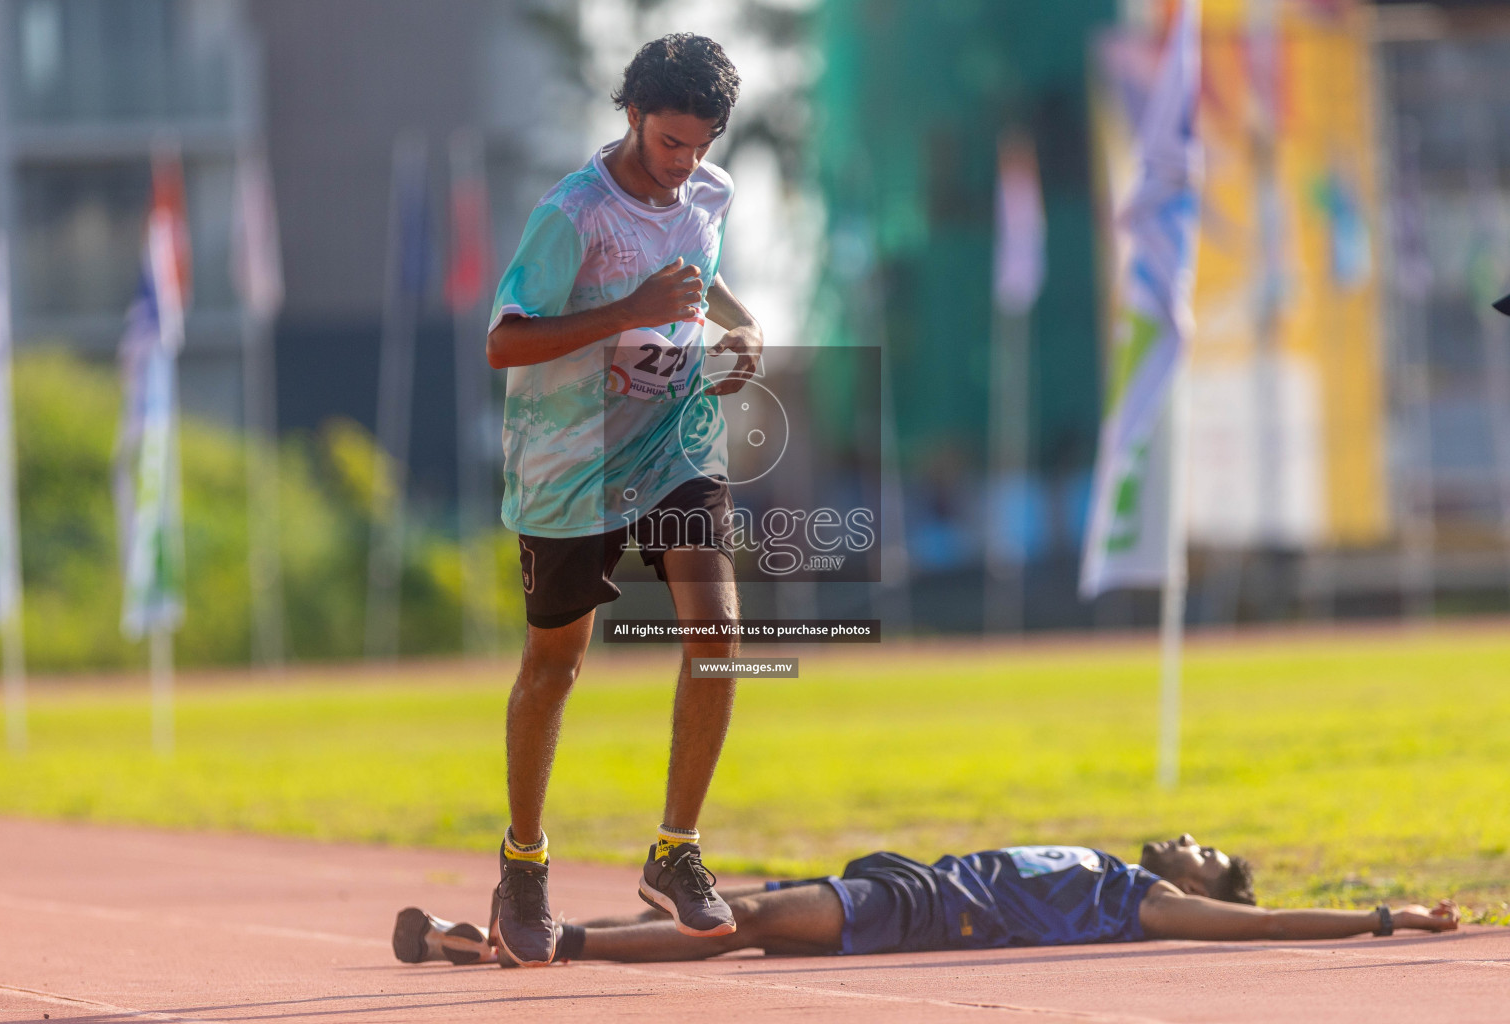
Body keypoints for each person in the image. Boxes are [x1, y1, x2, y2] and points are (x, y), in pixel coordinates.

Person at [483, 33, 763, 966]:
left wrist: (743, 325)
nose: (684, 164)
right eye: (668, 142)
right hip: (569, 462)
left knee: (719, 636)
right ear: (632, 114)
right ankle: (523, 864)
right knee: (554, 668)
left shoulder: (709, 192)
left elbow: (700, 272)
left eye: (701, 144)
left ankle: (676, 852)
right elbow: (506, 343)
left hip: (677, 439)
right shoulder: (571, 214)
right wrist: (626, 311)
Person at [392, 833, 1459, 966]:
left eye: (1211, 851)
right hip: (906, 880)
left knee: (742, 924)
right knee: (735, 918)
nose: (1192, 838)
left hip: (923, 913)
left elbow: (1270, 924)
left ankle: (541, 943)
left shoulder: (1151, 903)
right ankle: (491, 942)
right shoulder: (1114, 862)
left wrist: (1384, 916)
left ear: (1206, 888)